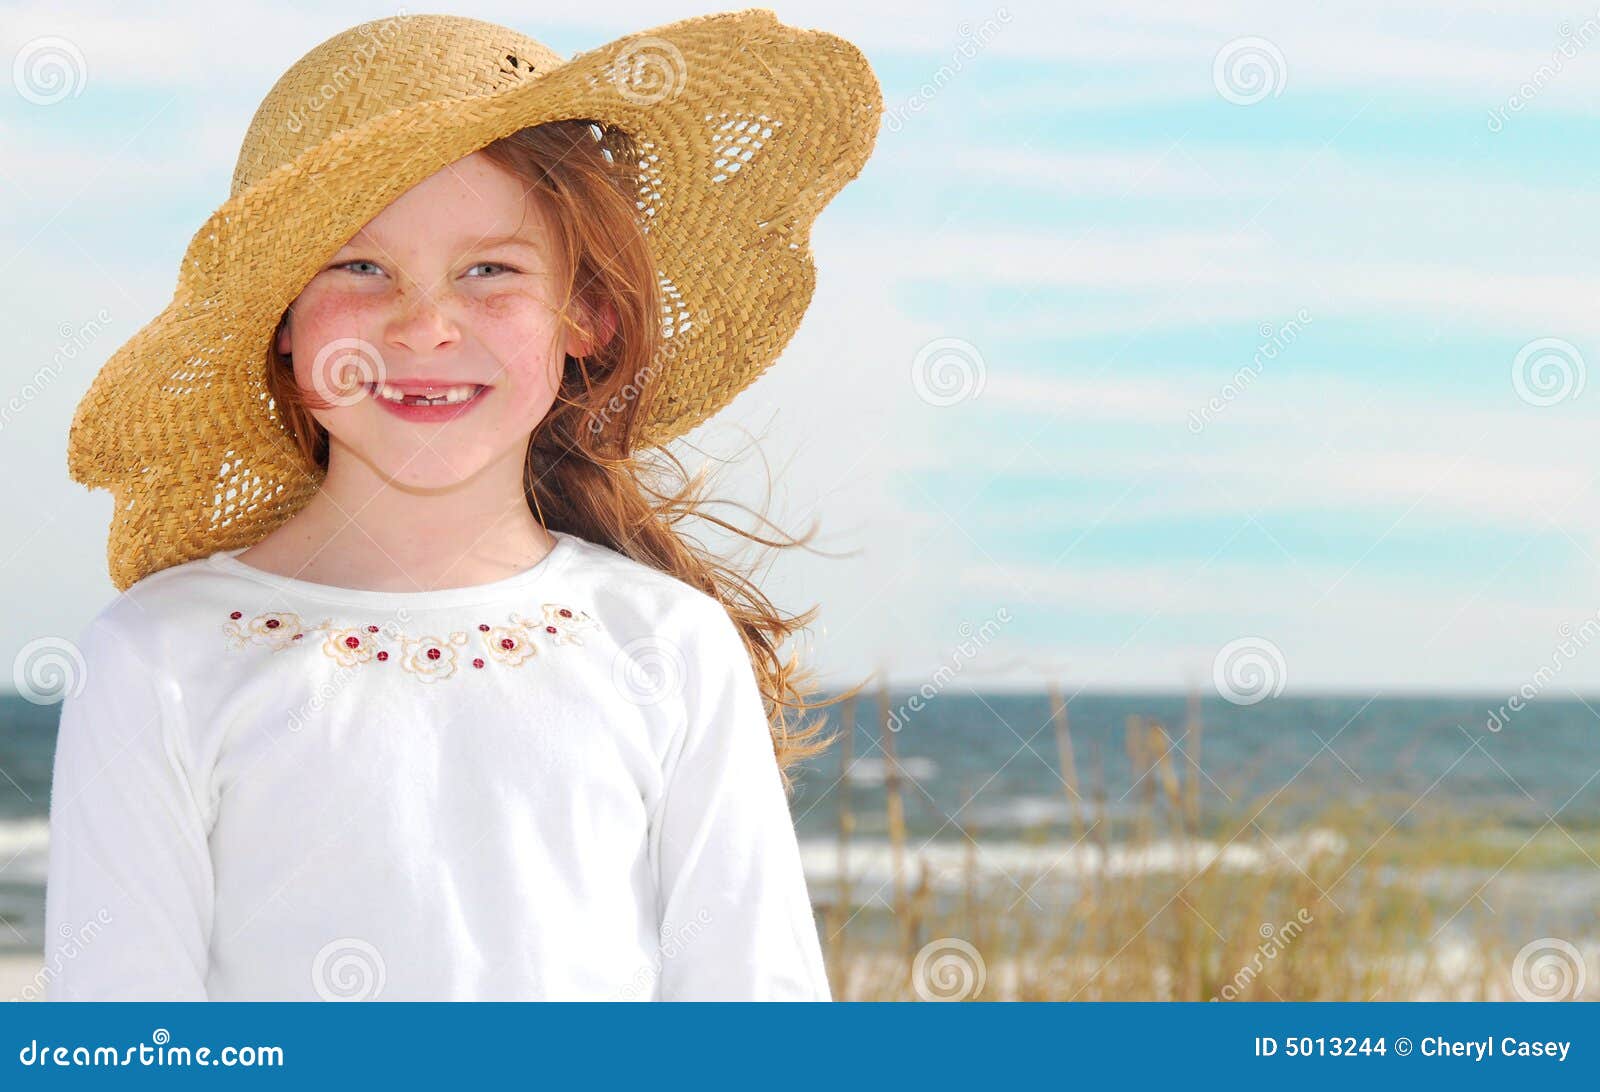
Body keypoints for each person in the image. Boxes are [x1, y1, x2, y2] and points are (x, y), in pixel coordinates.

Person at [46, 10, 881, 1001]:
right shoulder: (159, 657)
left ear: (587, 318)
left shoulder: (670, 645)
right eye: (361, 268)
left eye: (492, 271)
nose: (426, 326)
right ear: (280, 322)